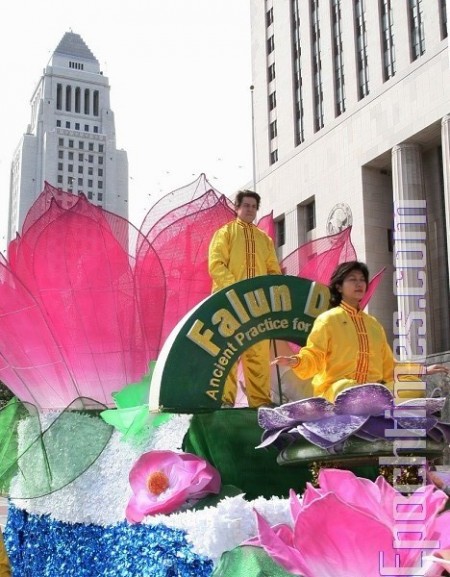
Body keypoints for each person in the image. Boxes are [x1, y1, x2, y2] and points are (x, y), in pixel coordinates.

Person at [272, 261, 449, 402]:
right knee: (348, 390)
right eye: (352, 279)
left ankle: (377, 403)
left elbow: (389, 366)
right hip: (337, 389)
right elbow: (314, 356)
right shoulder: (328, 319)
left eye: (362, 280)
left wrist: (423, 369)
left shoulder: (373, 325)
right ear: (339, 287)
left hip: (376, 390)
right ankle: (377, 404)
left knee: (413, 386)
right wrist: (296, 361)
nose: (359, 284)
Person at [208, 190, 281, 408]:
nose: (250, 209)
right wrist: (237, 289)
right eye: (246, 205)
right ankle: (224, 402)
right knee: (227, 354)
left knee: (258, 355)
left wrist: (270, 296)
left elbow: (273, 272)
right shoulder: (225, 233)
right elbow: (216, 265)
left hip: (257, 307)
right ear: (237, 207)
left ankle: (260, 404)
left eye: (253, 206)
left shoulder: (264, 240)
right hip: (228, 304)